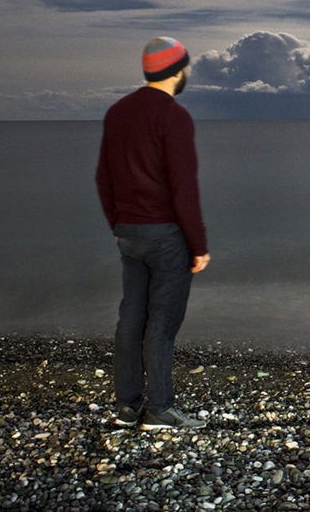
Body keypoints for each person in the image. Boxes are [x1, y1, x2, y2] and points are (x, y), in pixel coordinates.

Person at [96, 37, 210, 430]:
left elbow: (103, 176)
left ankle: (127, 406)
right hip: (165, 235)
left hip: (129, 232)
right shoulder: (174, 116)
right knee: (161, 323)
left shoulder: (117, 113)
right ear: (176, 71)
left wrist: (117, 224)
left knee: (131, 318)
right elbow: (183, 187)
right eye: (185, 68)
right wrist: (199, 245)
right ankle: (160, 410)